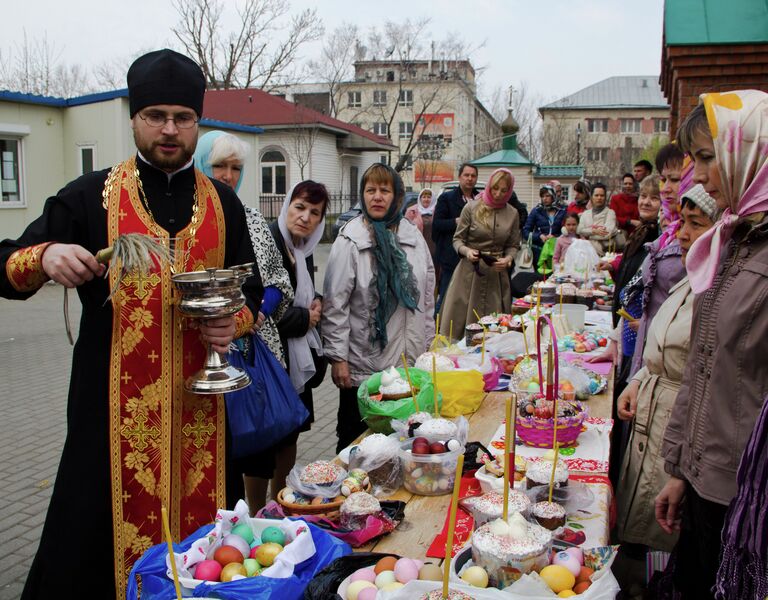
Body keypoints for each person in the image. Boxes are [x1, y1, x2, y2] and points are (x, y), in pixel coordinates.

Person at [0, 49, 264, 599]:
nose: (169, 130)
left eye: (183, 118)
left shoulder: (224, 206)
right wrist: (45, 256)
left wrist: (233, 324)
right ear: (135, 119)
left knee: (210, 562)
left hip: (203, 421)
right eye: (156, 116)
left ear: (198, 123)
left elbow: (252, 296)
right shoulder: (90, 195)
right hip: (109, 424)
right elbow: (7, 265)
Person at [656, 90, 768, 600]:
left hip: (748, 503)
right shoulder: (732, 238)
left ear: (749, 152)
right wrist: (681, 470)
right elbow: (704, 369)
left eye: (706, 157)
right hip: (707, 485)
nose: (697, 175)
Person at [615, 185, 718, 560]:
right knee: (641, 523)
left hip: (677, 428)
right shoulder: (691, 277)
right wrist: (638, 380)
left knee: (663, 532)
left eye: (696, 224)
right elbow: (663, 342)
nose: (683, 234)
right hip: (654, 411)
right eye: (683, 222)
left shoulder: (717, 288)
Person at [323, 164, 435, 452]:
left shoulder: (413, 238)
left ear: (397, 197)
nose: (377, 197)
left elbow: (426, 297)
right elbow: (335, 303)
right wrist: (338, 358)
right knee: (355, 443)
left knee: (405, 442)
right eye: (370, 190)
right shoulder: (350, 239)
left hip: (407, 363)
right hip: (364, 365)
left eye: (384, 190)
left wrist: (428, 346)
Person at [194, 131, 292, 365]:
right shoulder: (188, 223)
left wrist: (259, 308)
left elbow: (279, 278)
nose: (228, 176)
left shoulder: (253, 219)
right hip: (202, 350)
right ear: (199, 165)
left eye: (236, 168)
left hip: (257, 351)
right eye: (219, 165)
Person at [266, 182, 329, 507]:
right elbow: (262, 313)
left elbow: (301, 296)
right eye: (300, 207)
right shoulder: (269, 243)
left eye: (314, 212)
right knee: (265, 442)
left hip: (296, 361)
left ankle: (281, 502)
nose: (305, 217)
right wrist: (306, 318)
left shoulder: (301, 250)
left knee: (290, 434)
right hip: (272, 362)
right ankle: (258, 506)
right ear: (287, 205)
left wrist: (314, 304)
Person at [628, 144, 689, 379]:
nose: (666, 189)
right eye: (663, 179)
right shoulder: (669, 231)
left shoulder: (695, 235)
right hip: (649, 352)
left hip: (669, 364)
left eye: (674, 179)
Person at [438, 168, 521, 335]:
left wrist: (508, 259)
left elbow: (513, 245)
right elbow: (457, 239)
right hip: (469, 274)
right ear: (489, 186)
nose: (498, 194)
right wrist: (466, 251)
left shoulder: (513, 213)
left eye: (504, 190)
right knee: (460, 326)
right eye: (495, 189)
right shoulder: (471, 208)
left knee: (494, 327)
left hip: (496, 277)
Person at [432, 163, 479, 314]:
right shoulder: (447, 198)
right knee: (446, 294)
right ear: (459, 177)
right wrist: (456, 222)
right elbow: (437, 224)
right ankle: (436, 328)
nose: (470, 179)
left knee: (469, 297)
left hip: (473, 255)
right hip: (451, 255)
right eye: (466, 175)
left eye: (473, 176)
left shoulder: (480, 199)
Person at [522, 184, 566, 268]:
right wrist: (539, 236)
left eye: (547, 196)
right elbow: (525, 231)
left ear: (553, 196)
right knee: (540, 276)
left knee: (556, 275)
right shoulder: (536, 211)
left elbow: (566, 230)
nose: (544, 199)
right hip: (539, 250)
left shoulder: (562, 211)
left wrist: (555, 237)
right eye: (542, 196)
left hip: (557, 250)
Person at [577, 182, 618, 255]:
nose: (599, 198)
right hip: (585, 254)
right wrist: (594, 231)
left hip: (603, 255)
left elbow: (607, 234)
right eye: (596, 195)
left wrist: (587, 235)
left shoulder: (610, 213)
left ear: (605, 197)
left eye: (602, 195)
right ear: (591, 197)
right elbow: (579, 230)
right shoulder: (585, 214)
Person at [610, 172, 641, 238]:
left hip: (637, 234)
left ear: (634, 185)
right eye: (625, 183)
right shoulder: (615, 199)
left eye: (630, 184)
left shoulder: (639, 199)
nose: (628, 186)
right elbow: (613, 218)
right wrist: (630, 221)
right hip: (620, 235)